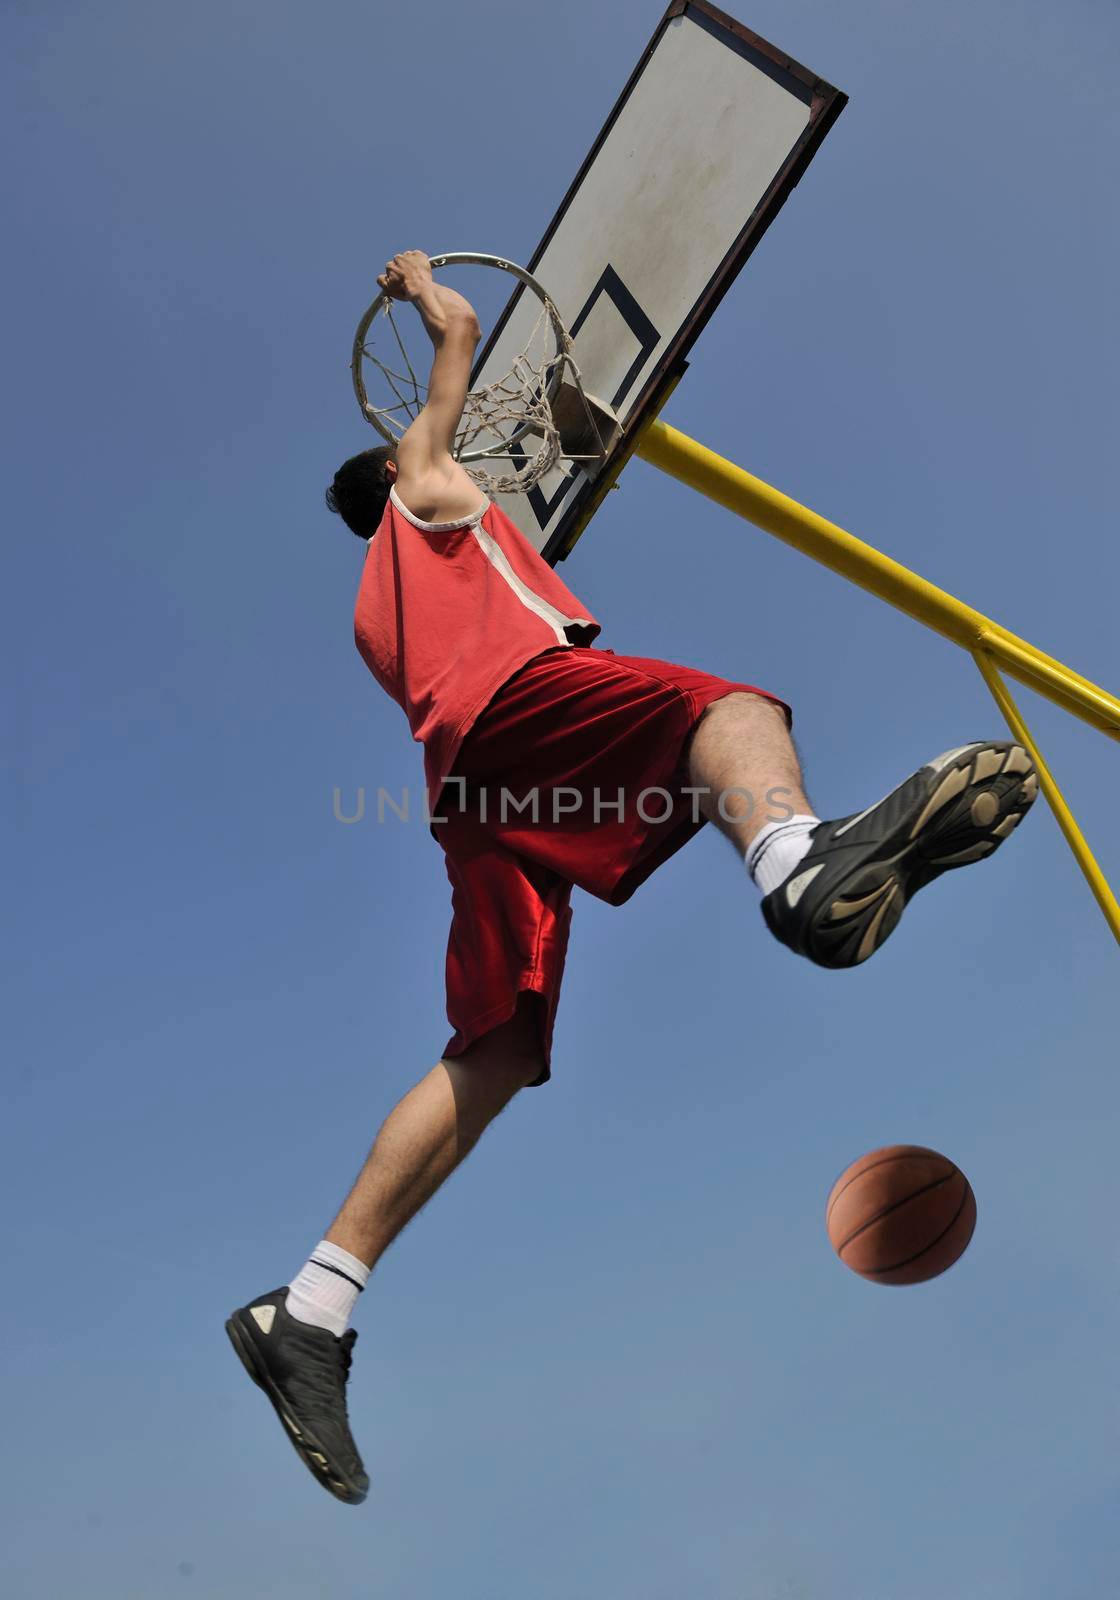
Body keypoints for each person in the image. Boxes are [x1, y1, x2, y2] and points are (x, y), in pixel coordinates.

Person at [226, 251, 1037, 1504]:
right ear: (396, 467)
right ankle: (794, 862)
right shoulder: (427, 486)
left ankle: (314, 1306)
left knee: (494, 1049)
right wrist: (417, 285)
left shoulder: (372, 609)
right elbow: (459, 329)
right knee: (724, 711)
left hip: (470, 793)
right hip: (519, 711)